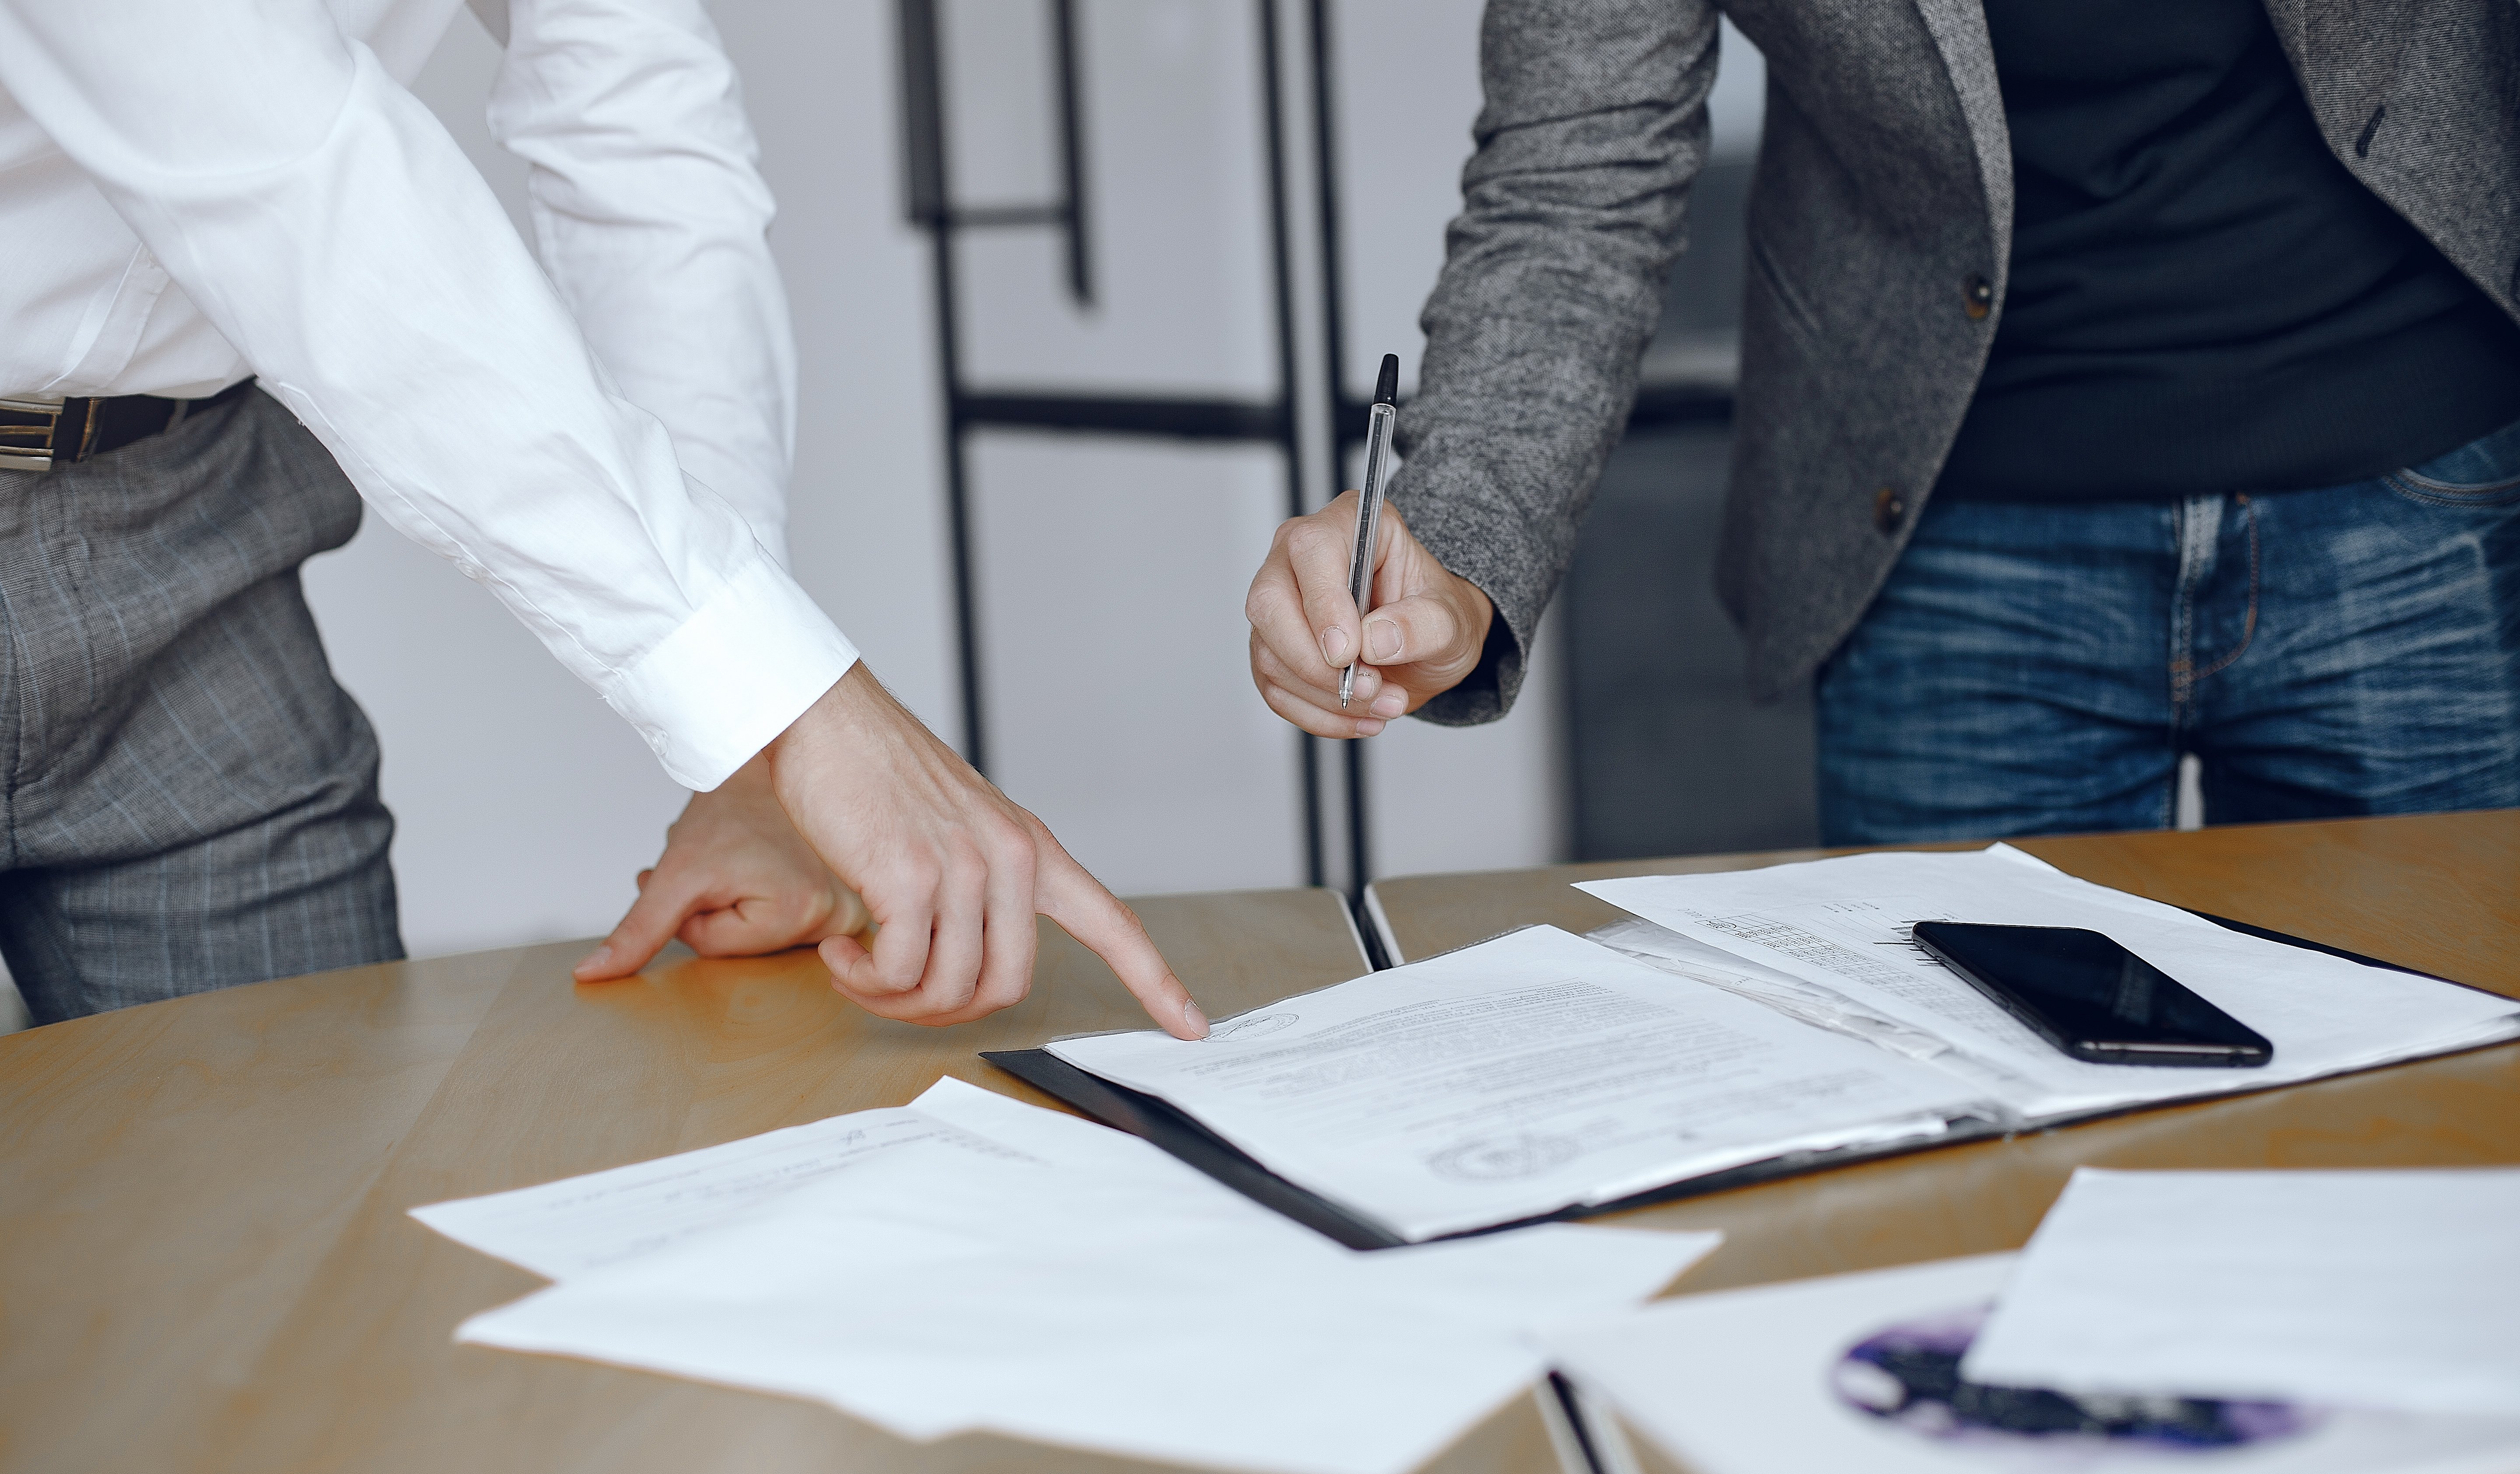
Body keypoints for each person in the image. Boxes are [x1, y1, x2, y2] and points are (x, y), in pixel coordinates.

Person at [0, 0, 1205, 1039]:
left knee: (308, 1192)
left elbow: (638, 132)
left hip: (190, 516)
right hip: (226, 339)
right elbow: (297, 183)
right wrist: (795, 707)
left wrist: (755, 750)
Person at [1246, 0, 2520, 841]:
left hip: (2420, 491)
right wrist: (1456, 544)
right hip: (1942, 535)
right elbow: (1578, 172)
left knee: (2451, 1152)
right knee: (1978, 1183)